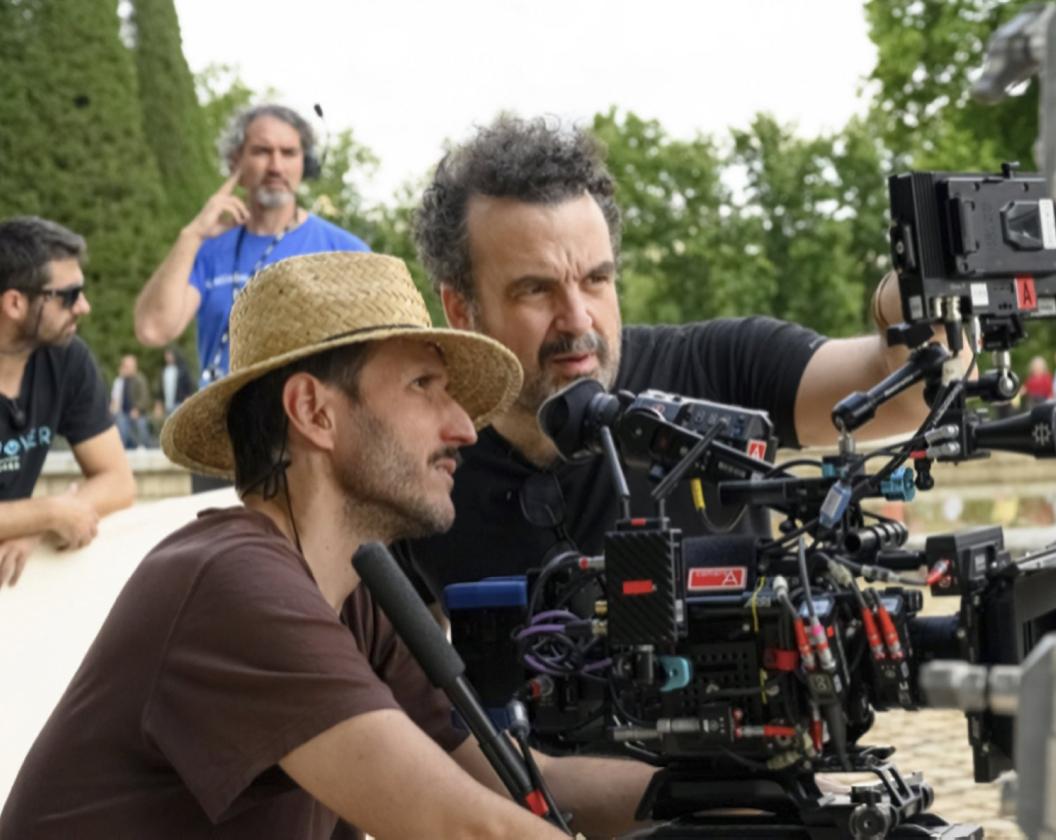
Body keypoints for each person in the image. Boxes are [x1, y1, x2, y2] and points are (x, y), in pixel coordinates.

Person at [0, 252, 649, 839]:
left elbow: (518, 781)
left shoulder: (355, 598)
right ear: (313, 411)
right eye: (425, 386)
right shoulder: (233, 584)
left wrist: (716, 794)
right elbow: (467, 826)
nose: (463, 429)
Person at [397, 115, 954, 605]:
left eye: (596, 280)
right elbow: (401, 678)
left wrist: (907, 296)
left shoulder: (717, 368)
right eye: (535, 290)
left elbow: (904, 392)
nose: (578, 319)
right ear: (460, 310)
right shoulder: (418, 461)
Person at [133, 103, 369, 386]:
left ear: (305, 163)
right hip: (217, 423)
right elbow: (153, 330)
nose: (276, 167)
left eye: (289, 153)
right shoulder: (208, 249)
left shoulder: (344, 251)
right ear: (236, 162)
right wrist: (191, 235)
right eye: (261, 151)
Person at [0, 217, 135, 587]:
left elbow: (119, 481)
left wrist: (37, 527)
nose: (84, 307)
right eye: (69, 296)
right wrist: (44, 512)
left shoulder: (66, 358)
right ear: (15, 303)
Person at [110, 353, 152, 449]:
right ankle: (122, 449)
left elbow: (144, 397)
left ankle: (146, 447)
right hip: (123, 413)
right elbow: (115, 399)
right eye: (124, 366)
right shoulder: (121, 381)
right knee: (120, 424)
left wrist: (137, 409)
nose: (125, 368)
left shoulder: (140, 379)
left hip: (138, 413)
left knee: (141, 425)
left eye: (127, 366)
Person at [161, 344, 195, 415]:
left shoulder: (183, 369)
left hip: (179, 403)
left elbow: (189, 384)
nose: (168, 357)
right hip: (168, 405)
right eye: (167, 355)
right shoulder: (164, 371)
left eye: (170, 355)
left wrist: (188, 396)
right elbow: (161, 388)